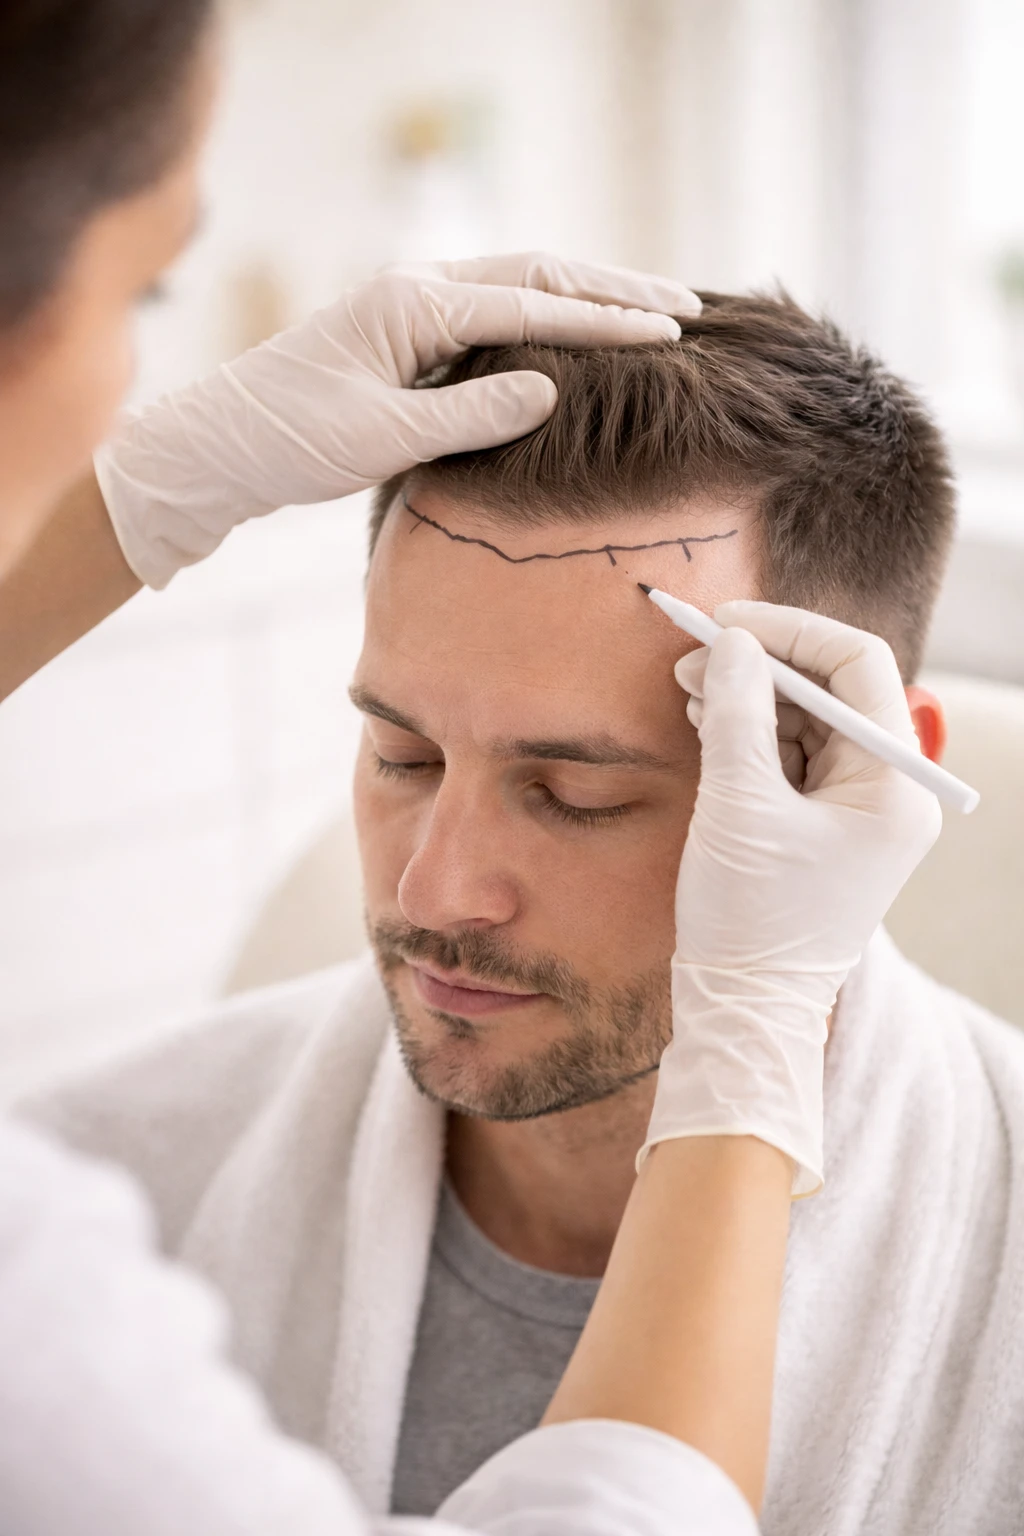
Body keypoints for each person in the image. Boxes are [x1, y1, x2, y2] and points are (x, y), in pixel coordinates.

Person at [0, 1, 946, 1533]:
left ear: (859, 785)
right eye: (397, 750)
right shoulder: (104, 1197)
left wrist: (119, 509)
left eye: (578, 792)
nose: (433, 888)